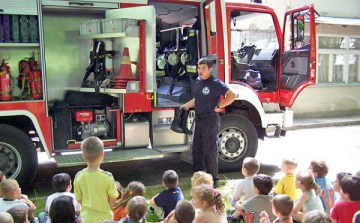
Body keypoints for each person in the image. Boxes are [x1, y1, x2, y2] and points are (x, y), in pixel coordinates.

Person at [180, 58, 237, 187]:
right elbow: (198, 98)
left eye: (204, 68)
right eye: (199, 68)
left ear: (210, 69)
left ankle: (213, 181)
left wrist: (219, 106)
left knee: (209, 152)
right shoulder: (199, 81)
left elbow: (232, 95)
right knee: (197, 151)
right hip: (198, 119)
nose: (200, 71)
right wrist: (186, 105)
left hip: (210, 119)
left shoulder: (216, 83)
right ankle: (198, 181)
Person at [74, 136, 119, 223]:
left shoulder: (79, 177)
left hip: (87, 218)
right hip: (105, 218)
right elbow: (113, 199)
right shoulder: (107, 177)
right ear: (102, 155)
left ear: (83, 155)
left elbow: (79, 199)